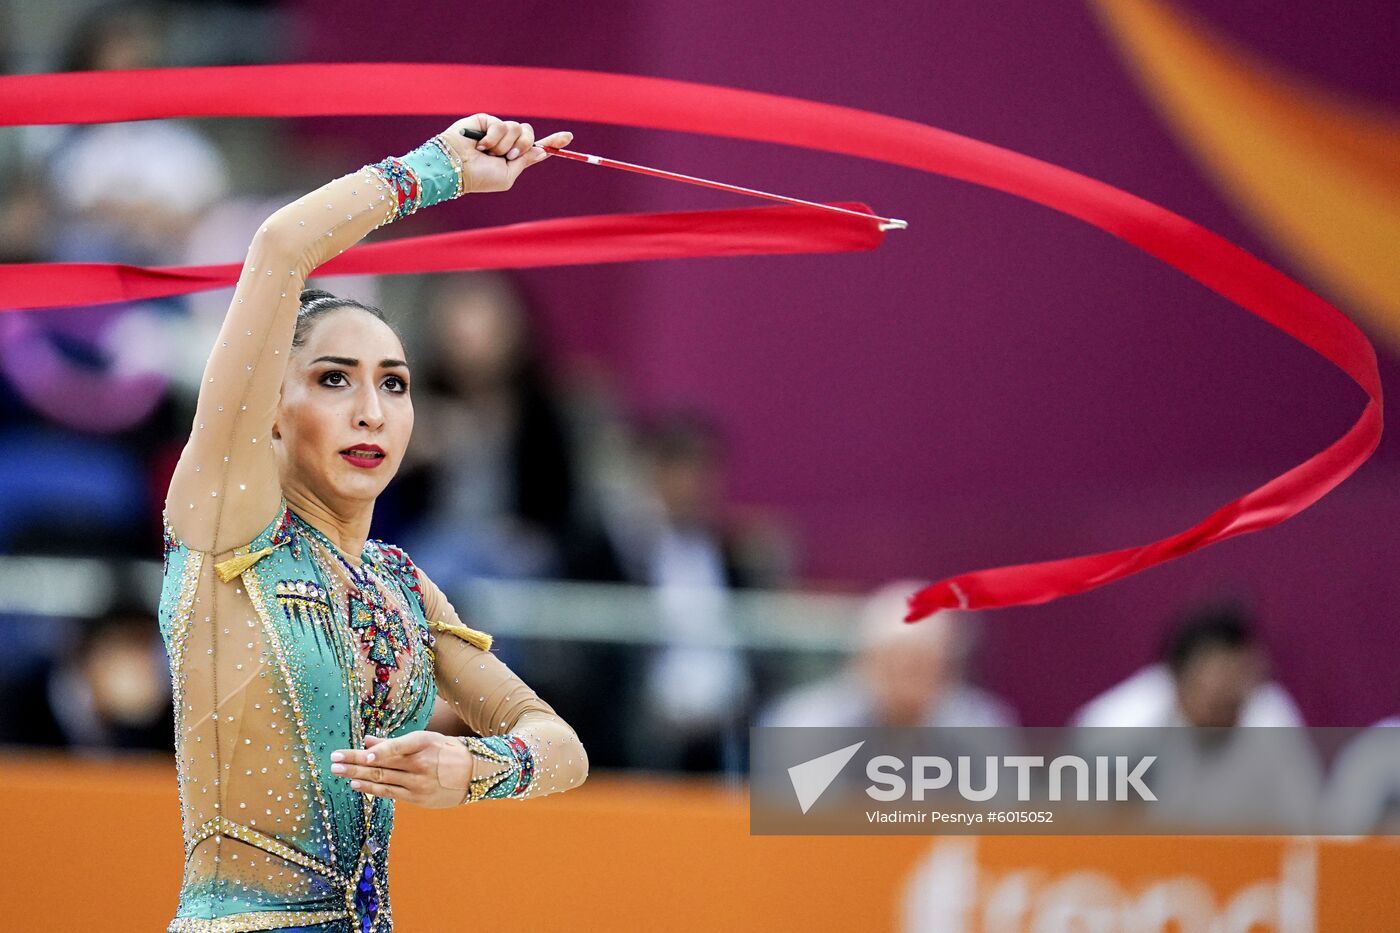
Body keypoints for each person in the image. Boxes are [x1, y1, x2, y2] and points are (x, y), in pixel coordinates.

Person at [158, 114, 588, 933]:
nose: (370, 412)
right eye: (333, 379)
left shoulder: (400, 584)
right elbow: (281, 247)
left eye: (393, 384)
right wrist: (440, 169)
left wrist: (475, 766)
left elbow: (560, 744)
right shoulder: (228, 528)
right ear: (269, 413)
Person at [757, 580, 1017, 730]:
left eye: (922, 664)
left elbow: (1002, 813)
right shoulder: (807, 721)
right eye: (895, 661)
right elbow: (788, 814)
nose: (908, 677)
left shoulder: (978, 723)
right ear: (864, 660)